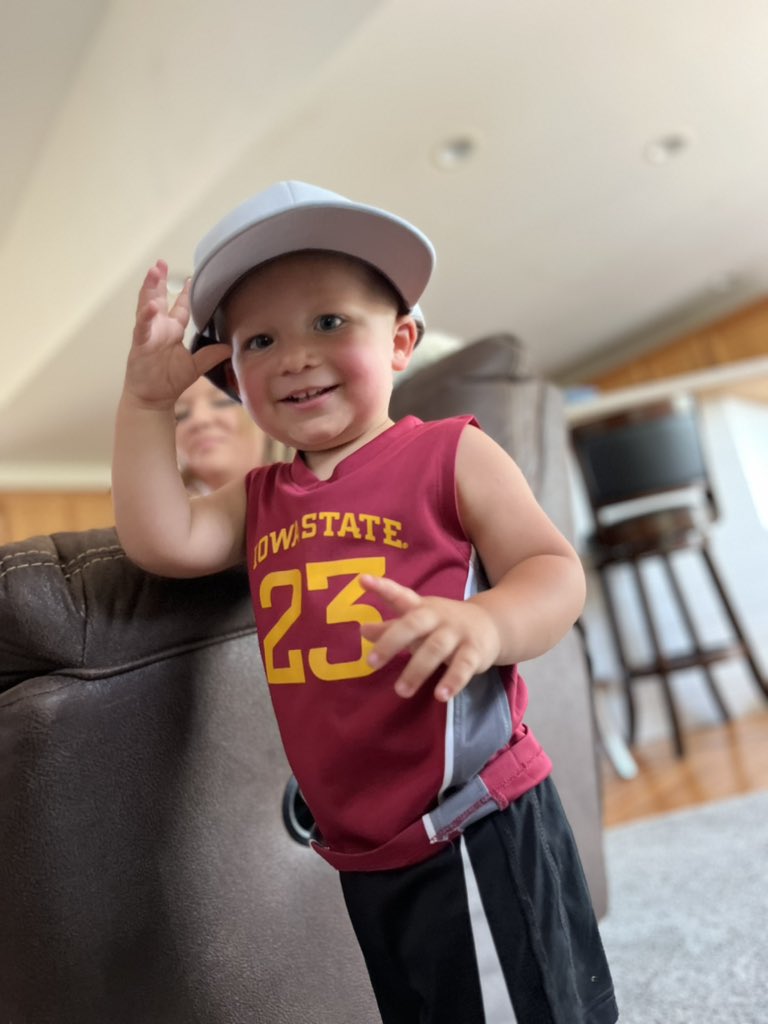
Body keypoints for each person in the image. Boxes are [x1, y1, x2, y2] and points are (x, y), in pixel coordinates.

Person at [113, 180, 618, 1024]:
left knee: (543, 1001)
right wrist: (144, 404)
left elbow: (553, 571)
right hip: (364, 837)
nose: (294, 356)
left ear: (401, 342)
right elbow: (161, 539)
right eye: (261, 339)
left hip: (479, 803)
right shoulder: (257, 499)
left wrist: (488, 622)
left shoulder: (451, 454)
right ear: (234, 374)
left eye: (329, 322)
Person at [174, 375, 277, 494]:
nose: (199, 418)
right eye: (181, 412)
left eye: (221, 401)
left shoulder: (292, 494)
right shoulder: (164, 502)